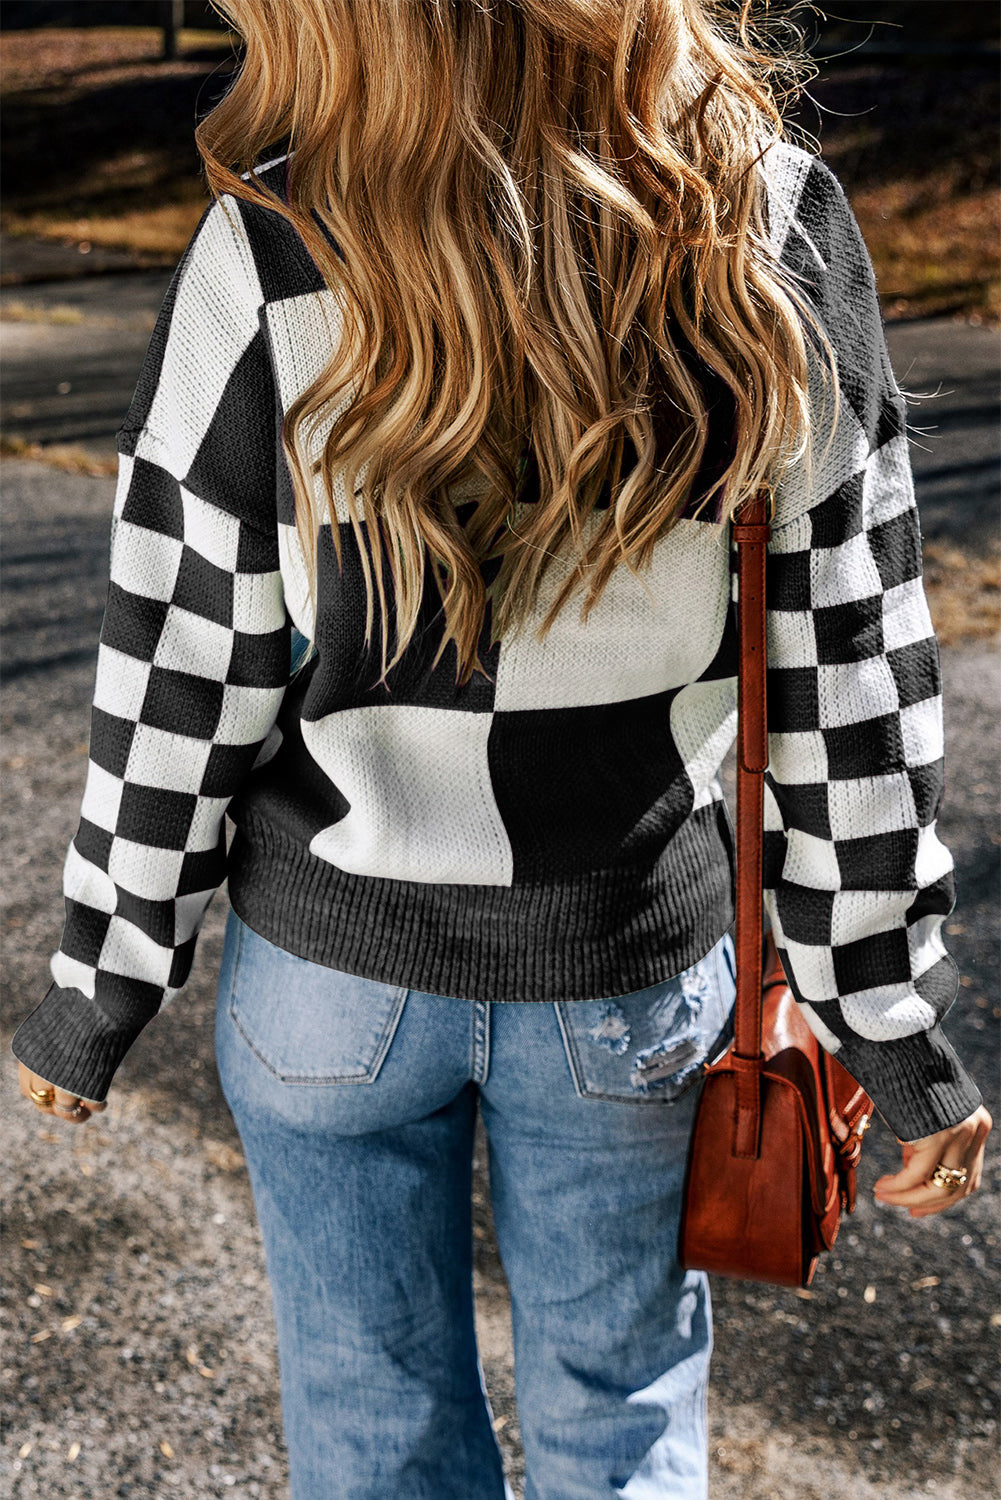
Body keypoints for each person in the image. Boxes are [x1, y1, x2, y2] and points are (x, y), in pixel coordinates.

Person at [12, 2, 992, 1496]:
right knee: (622, 1412)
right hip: (624, 978)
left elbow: (179, 672)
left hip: (328, 983)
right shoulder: (762, 215)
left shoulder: (270, 244)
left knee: (372, 1423)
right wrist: (890, 1023)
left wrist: (101, 987)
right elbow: (847, 672)